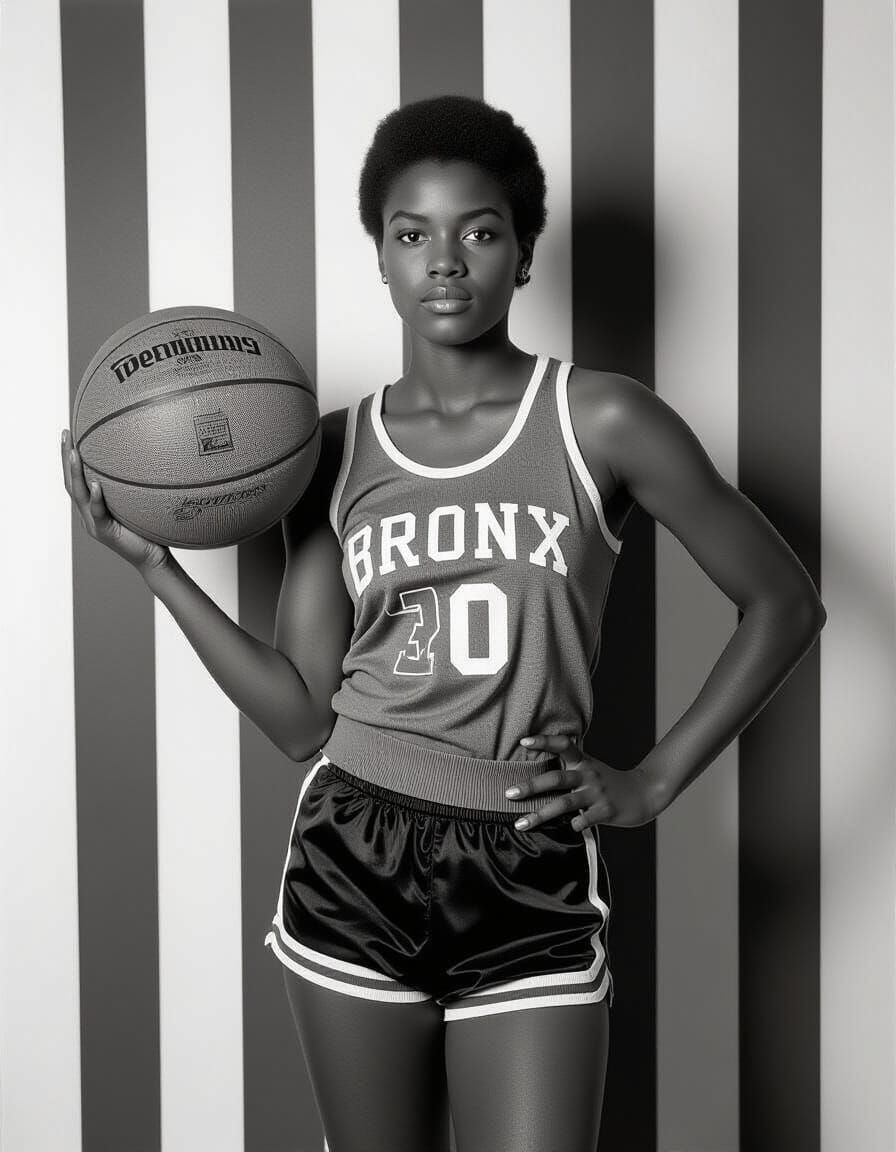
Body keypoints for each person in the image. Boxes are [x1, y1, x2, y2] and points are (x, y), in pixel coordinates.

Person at [61, 94, 826, 1152]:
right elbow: (297, 720)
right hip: (354, 849)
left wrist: (650, 780)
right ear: (379, 258)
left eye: (478, 230)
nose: (445, 260)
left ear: (520, 254)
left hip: (527, 852)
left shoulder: (599, 417)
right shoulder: (325, 450)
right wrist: (154, 568)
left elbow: (783, 603)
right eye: (411, 234)